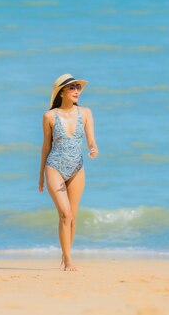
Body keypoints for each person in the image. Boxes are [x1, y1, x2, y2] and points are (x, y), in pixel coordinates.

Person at [39, 73, 99, 271]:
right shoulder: (49, 116)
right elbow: (46, 147)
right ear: (61, 92)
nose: (76, 91)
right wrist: (41, 176)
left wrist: (93, 148)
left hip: (77, 168)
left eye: (78, 87)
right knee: (64, 214)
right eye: (72, 88)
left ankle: (66, 257)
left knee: (72, 216)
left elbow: (91, 139)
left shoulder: (86, 113)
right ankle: (68, 260)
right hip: (54, 166)